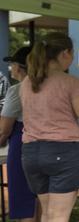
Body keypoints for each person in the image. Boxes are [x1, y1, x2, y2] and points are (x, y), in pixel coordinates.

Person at [20, 32, 79, 222]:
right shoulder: (69, 82)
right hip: (62, 151)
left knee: (48, 213)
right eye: (71, 55)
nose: (72, 60)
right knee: (59, 216)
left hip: (31, 152)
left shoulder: (27, 82)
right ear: (65, 53)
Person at [0, 47, 39, 222]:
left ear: (19, 67)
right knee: (41, 198)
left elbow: (3, 129)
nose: (11, 68)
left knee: (24, 199)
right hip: (48, 146)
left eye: (12, 64)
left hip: (22, 146)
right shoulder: (48, 86)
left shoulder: (17, 90)